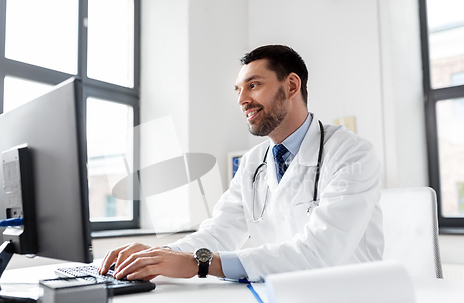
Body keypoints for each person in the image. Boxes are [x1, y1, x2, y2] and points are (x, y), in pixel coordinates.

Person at [99, 45, 383, 282]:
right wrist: (159, 255)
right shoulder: (252, 163)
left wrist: (201, 264)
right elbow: (219, 232)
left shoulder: (351, 153)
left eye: (254, 85)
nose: (242, 100)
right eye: (238, 90)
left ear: (292, 85)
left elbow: (320, 252)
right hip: (280, 299)